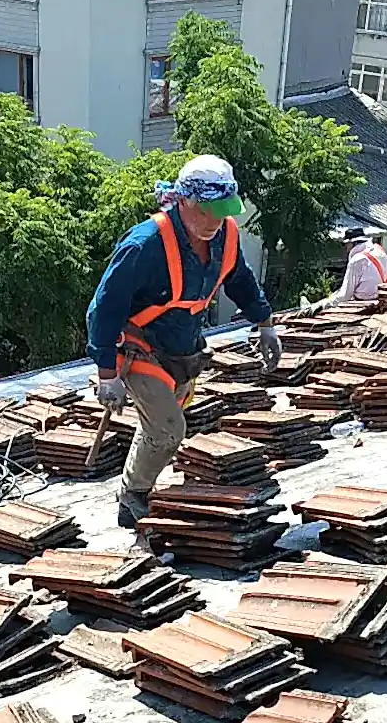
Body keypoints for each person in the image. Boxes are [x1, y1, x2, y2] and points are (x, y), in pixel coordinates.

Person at [86, 155, 280, 529]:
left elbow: (240, 281)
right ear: (185, 201)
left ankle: (133, 487)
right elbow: (104, 309)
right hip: (138, 348)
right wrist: (107, 373)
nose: (214, 221)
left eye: (223, 212)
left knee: (158, 424)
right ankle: (134, 497)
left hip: (184, 349)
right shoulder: (145, 245)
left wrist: (265, 323)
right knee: (169, 429)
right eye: (207, 211)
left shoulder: (225, 236)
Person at [333, 226, 387, 304]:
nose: (346, 249)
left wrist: (323, 305)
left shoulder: (357, 260)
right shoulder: (380, 251)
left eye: (346, 245)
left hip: (363, 303)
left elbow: (345, 295)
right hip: (382, 298)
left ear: (352, 243)